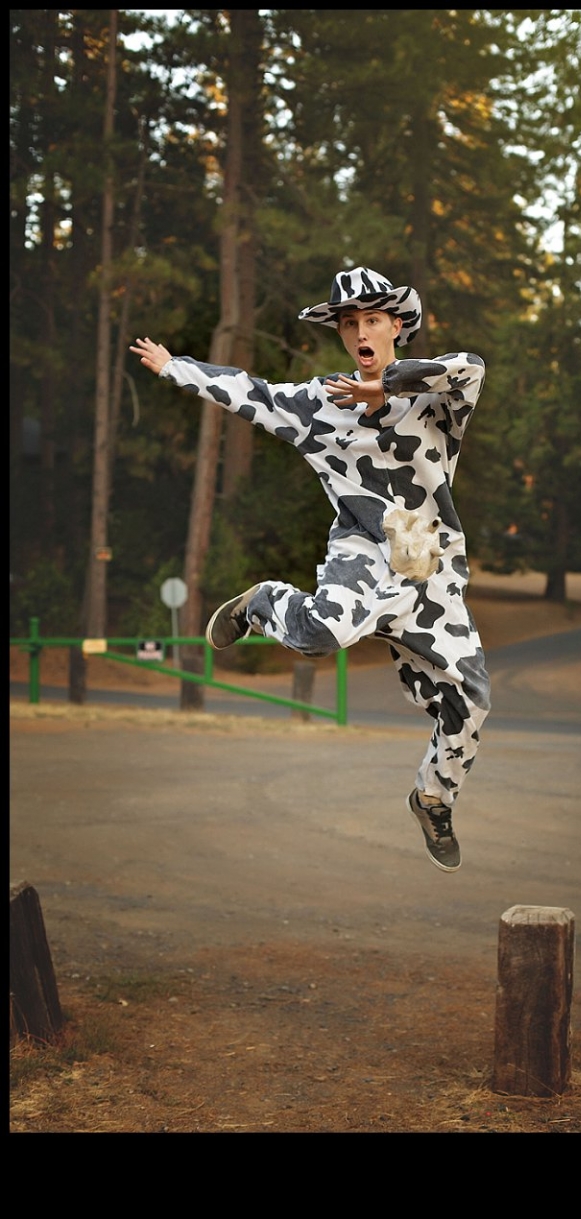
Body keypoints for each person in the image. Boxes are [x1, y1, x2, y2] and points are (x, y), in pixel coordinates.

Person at [130, 266, 490, 872]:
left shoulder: (435, 402)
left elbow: (471, 365)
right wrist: (177, 368)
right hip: (362, 553)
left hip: (428, 567)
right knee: (320, 633)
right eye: (350, 325)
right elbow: (252, 392)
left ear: (396, 327)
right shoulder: (319, 405)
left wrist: (388, 390)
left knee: (472, 703)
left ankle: (433, 798)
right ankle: (267, 602)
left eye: (372, 320)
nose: (361, 334)